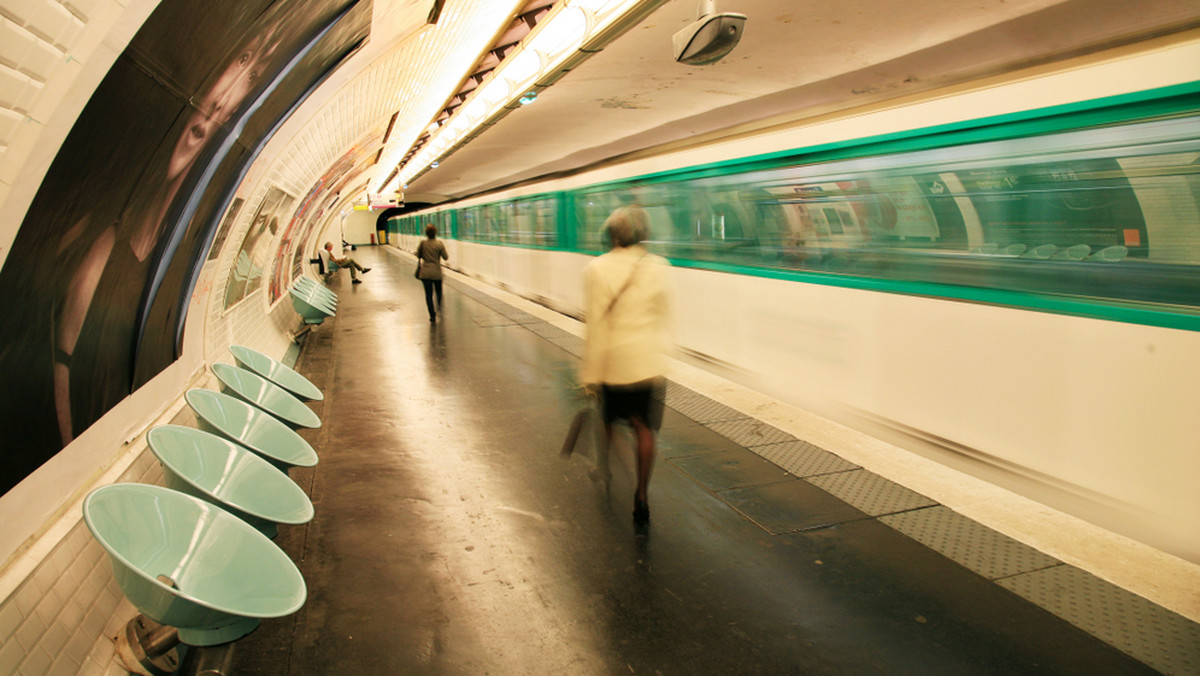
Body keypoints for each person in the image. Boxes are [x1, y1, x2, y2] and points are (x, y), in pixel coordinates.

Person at [580, 206, 673, 524]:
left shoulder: (597, 268)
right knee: (644, 428)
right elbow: (663, 314)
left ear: (611, 235)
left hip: (613, 363)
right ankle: (642, 496)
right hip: (647, 362)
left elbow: (595, 325)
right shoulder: (660, 266)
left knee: (605, 420)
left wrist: (590, 375)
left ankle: (603, 468)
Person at [416, 224, 449, 322]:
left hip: (425, 273)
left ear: (426, 233)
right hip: (436, 273)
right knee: (439, 293)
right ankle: (439, 308)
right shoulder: (439, 244)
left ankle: (432, 315)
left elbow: (418, 255)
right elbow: (445, 257)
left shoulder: (423, 243)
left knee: (428, 295)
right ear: (435, 233)